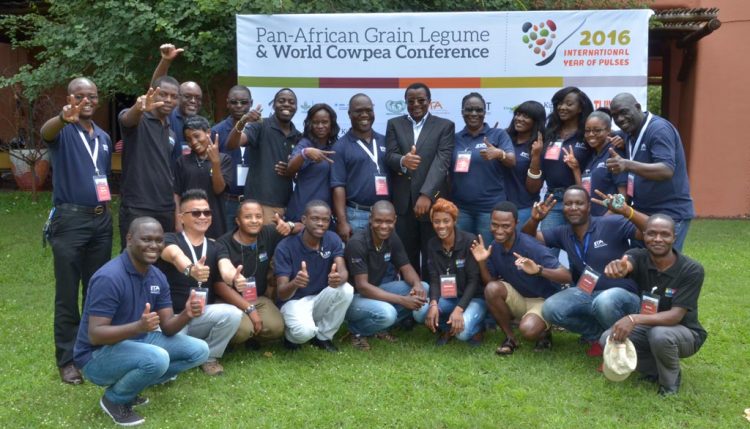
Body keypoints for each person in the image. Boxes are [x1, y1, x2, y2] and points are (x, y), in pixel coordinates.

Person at [73, 217, 209, 426]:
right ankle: (114, 400)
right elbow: (95, 334)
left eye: (158, 240)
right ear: (129, 239)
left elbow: (168, 328)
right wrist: (138, 326)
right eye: (146, 239)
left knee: (200, 351)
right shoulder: (109, 278)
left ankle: (130, 387)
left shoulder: (157, 277)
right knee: (158, 358)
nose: (154, 246)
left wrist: (186, 314)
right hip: (96, 355)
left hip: (138, 341)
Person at [40, 77, 113, 384]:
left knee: (97, 288)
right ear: (70, 98)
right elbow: (45, 132)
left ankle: (90, 349)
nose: (87, 100)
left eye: (92, 96)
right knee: (68, 292)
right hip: (70, 221)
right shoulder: (63, 131)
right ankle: (67, 359)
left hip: (101, 220)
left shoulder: (104, 137)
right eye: (80, 96)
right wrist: (60, 118)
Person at [522, 186, 648, 357]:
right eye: (568, 204)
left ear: (589, 206)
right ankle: (599, 335)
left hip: (621, 295)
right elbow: (529, 238)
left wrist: (627, 211)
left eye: (579, 203)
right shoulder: (563, 232)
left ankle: (629, 342)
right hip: (588, 292)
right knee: (551, 308)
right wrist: (535, 220)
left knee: (605, 301)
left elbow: (651, 230)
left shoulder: (611, 223)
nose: (573, 208)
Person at [600, 214, 707, 396]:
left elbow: (675, 316)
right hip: (650, 325)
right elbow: (627, 263)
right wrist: (620, 267)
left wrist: (633, 318)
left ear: (674, 237)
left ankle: (670, 384)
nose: (658, 239)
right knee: (608, 338)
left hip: (685, 332)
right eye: (651, 234)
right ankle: (654, 370)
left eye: (665, 234)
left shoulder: (691, 269)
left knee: (660, 335)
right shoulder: (639, 256)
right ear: (644, 235)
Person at [156, 189, 242, 376]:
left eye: (207, 212)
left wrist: (234, 277)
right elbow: (174, 255)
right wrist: (191, 269)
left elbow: (225, 266)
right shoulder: (170, 239)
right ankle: (188, 349)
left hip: (199, 314)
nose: (203, 216)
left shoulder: (216, 246)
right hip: (173, 318)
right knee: (167, 368)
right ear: (181, 217)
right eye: (196, 213)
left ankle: (209, 356)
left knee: (233, 314)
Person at [470, 201, 570, 355]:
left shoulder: (530, 246)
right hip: (519, 297)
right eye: (495, 225)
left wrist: (538, 270)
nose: (499, 231)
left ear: (516, 223)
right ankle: (510, 339)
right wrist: (482, 262)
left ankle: (544, 332)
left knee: (528, 330)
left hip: (543, 300)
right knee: (492, 289)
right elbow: (490, 284)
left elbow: (567, 275)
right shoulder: (495, 246)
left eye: (505, 226)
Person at [606, 93, 695, 251]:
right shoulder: (629, 132)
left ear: (638, 108)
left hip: (669, 213)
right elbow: (608, 133)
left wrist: (627, 164)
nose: (619, 119)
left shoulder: (658, 129)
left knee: (662, 268)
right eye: (615, 116)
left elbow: (666, 170)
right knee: (640, 265)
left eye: (624, 112)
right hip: (642, 212)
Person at [385, 82, 455, 276]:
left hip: (433, 202)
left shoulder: (444, 126)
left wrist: (426, 194)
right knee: (407, 255)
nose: (416, 104)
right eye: (411, 101)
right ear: (405, 102)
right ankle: (413, 296)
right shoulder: (394, 124)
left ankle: (434, 297)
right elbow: (389, 156)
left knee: (434, 254)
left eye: (421, 100)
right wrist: (403, 160)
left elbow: (441, 162)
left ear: (430, 102)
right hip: (403, 204)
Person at [344, 201, 429, 350]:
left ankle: (379, 328)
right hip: (353, 299)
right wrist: (403, 300)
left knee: (424, 288)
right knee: (387, 314)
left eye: (388, 221)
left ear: (395, 220)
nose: (384, 226)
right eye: (378, 221)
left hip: (375, 290)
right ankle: (357, 331)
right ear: (370, 219)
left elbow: (406, 267)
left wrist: (417, 284)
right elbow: (362, 287)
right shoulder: (357, 242)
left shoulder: (391, 237)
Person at [274, 200, 353, 352]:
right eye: (315, 219)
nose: (321, 224)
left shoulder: (332, 239)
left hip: (319, 297)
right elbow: (282, 293)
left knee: (346, 289)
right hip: (294, 301)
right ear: (304, 220)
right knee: (305, 333)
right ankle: (290, 338)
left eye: (325, 220)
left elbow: (343, 272)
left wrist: (338, 279)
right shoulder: (285, 247)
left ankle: (323, 337)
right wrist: (295, 283)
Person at [215, 200, 296, 347]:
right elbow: (218, 285)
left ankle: (252, 336)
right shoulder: (223, 243)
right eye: (248, 217)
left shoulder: (268, 233)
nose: (254, 221)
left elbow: (303, 228)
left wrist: (290, 226)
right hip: (229, 301)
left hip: (256, 297)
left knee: (276, 327)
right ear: (238, 221)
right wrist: (249, 309)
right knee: (242, 330)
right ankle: (237, 337)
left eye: (258, 216)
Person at [118, 74, 180, 249]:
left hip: (165, 206)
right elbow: (127, 119)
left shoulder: (170, 131)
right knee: (133, 257)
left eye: (174, 96)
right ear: (153, 94)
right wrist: (138, 108)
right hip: (138, 206)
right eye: (164, 94)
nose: (168, 100)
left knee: (162, 257)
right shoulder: (139, 121)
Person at [413, 199, 485, 346]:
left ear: (455, 220)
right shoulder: (432, 244)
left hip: (473, 298)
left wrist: (459, 309)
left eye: (446, 221)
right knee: (420, 312)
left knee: (462, 334)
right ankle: (447, 327)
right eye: (436, 221)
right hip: (449, 297)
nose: (441, 226)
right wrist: (433, 304)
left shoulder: (469, 241)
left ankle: (478, 328)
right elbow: (434, 279)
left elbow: (474, 281)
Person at [226, 88, 301, 224]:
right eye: (281, 101)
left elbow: (300, 173)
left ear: (296, 107)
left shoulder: (298, 136)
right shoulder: (260, 126)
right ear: (273, 105)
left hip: (288, 207)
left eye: (291, 102)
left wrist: (291, 170)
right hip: (260, 205)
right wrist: (243, 121)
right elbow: (232, 144)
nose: (286, 104)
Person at [450, 92, 515, 245]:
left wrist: (499, 153)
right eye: (469, 109)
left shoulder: (498, 135)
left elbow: (512, 161)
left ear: (485, 113)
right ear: (462, 112)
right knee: (463, 253)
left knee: (487, 254)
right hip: (461, 209)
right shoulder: (454, 138)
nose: (474, 113)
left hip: (489, 210)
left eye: (479, 110)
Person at [527, 87, 594, 232]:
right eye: (560, 103)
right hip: (553, 199)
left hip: (580, 199)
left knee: (583, 249)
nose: (562, 107)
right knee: (547, 249)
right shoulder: (549, 134)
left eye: (569, 104)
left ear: (580, 108)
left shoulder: (588, 135)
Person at [331, 93, 390, 242]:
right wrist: (342, 221)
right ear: (350, 114)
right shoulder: (340, 146)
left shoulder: (386, 141)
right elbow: (338, 186)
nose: (364, 114)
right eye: (358, 111)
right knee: (357, 262)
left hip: (385, 215)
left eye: (368, 110)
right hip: (356, 215)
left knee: (384, 262)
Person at [174, 115, 233, 238]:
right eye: (188, 139)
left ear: (208, 132)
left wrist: (215, 163)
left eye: (196, 136)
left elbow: (219, 189)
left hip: (215, 219)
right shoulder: (182, 161)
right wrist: (178, 221)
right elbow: (176, 194)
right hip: (189, 218)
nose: (193, 142)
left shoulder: (224, 159)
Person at [285, 103, 340, 222]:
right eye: (316, 122)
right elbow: (290, 169)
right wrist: (305, 153)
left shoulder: (336, 146)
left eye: (324, 122)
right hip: (303, 211)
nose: (320, 126)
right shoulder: (305, 144)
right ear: (310, 124)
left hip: (326, 213)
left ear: (331, 124)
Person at [149, 43, 202, 161]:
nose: (193, 101)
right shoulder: (168, 115)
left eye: (198, 98)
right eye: (188, 96)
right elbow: (157, 87)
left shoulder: (200, 123)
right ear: (177, 98)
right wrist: (165, 61)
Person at [212, 85, 255, 228]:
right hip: (227, 201)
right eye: (234, 102)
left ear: (251, 103)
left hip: (254, 201)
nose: (239, 106)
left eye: (244, 102)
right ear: (227, 103)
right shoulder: (216, 132)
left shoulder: (260, 129)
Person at [503, 100, 546, 227]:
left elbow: (533, 188)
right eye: (518, 114)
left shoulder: (539, 147)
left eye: (526, 116)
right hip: (497, 206)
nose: (519, 119)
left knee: (520, 246)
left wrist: (536, 157)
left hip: (522, 208)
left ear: (536, 121)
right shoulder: (503, 139)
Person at [577, 112, 627, 216]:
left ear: (609, 131)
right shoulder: (592, 155)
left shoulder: (614, 153)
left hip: (609, 222)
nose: (591, 134)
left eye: (597, 130)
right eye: (587, 131)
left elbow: (623, 196)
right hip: (592, 221)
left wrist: (604, 220)